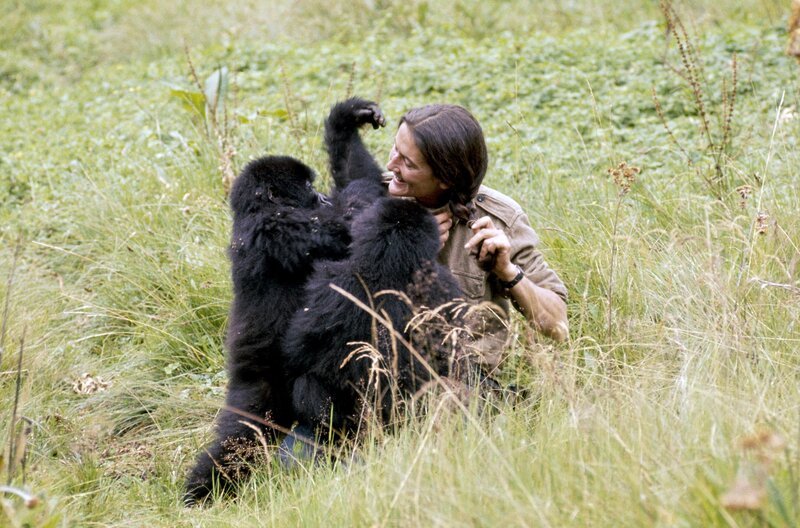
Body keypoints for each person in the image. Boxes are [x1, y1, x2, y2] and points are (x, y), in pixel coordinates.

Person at [383, 103, 568, 368]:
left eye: (408, 162)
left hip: (466, 379)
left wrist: (507, 271)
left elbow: (558, 325)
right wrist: (410, 248)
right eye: (395, 149)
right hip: (383, 370)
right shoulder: (367, 199)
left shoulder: (500, 219)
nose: (391, 165)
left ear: (446, 179)